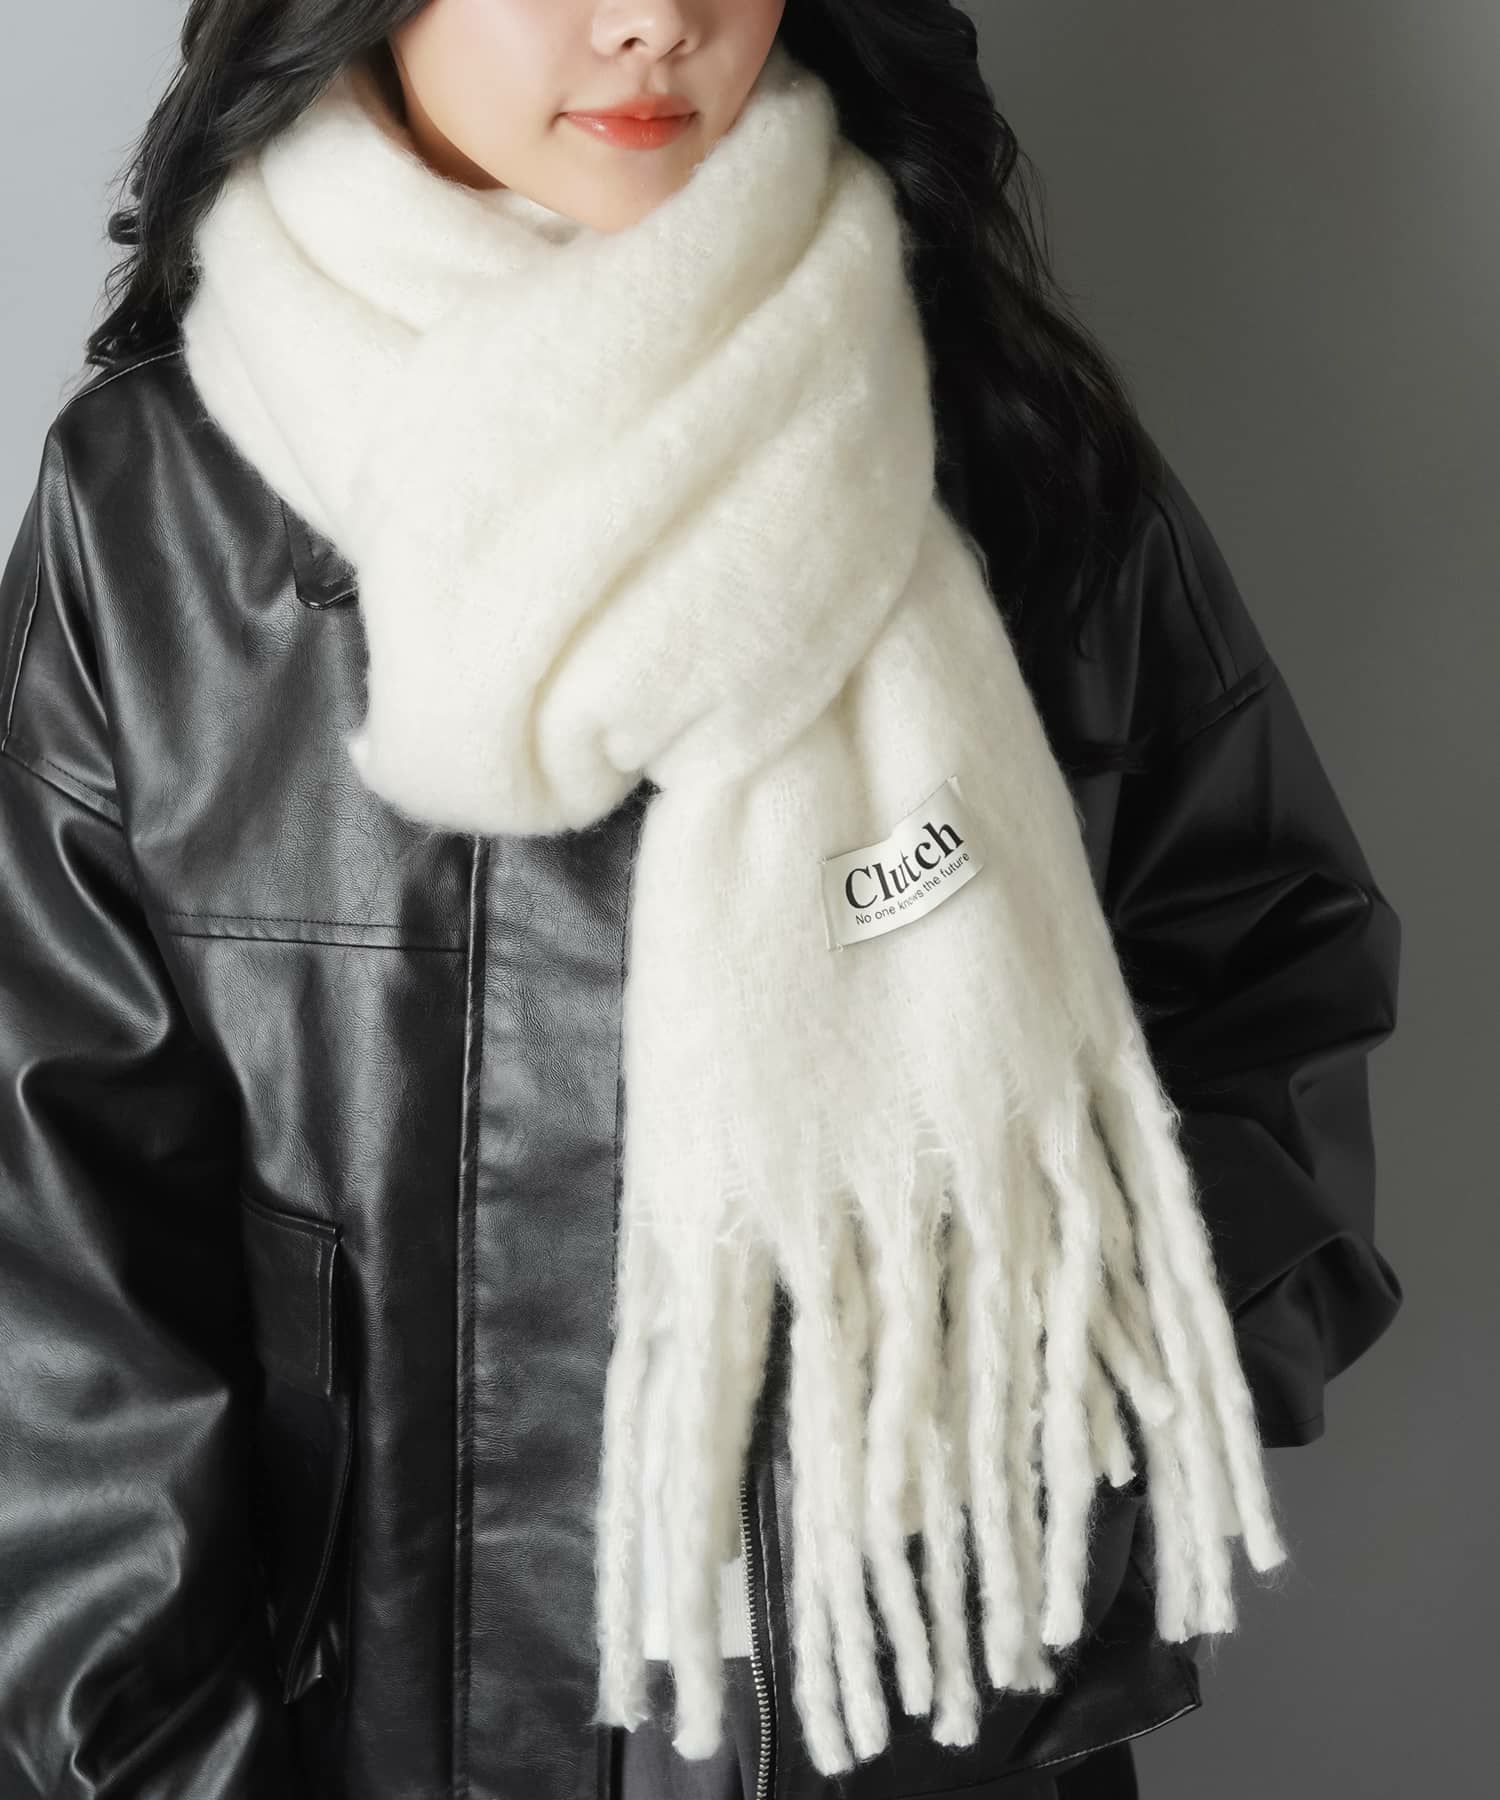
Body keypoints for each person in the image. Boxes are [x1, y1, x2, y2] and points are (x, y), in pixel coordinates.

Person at [0, 4, 1404, 1798]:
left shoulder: (996, 440)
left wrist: (1086, 1450)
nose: (654, 18)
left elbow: (1269, 968)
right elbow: (53, 1265)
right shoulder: (149, 514)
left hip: (922, 1731)